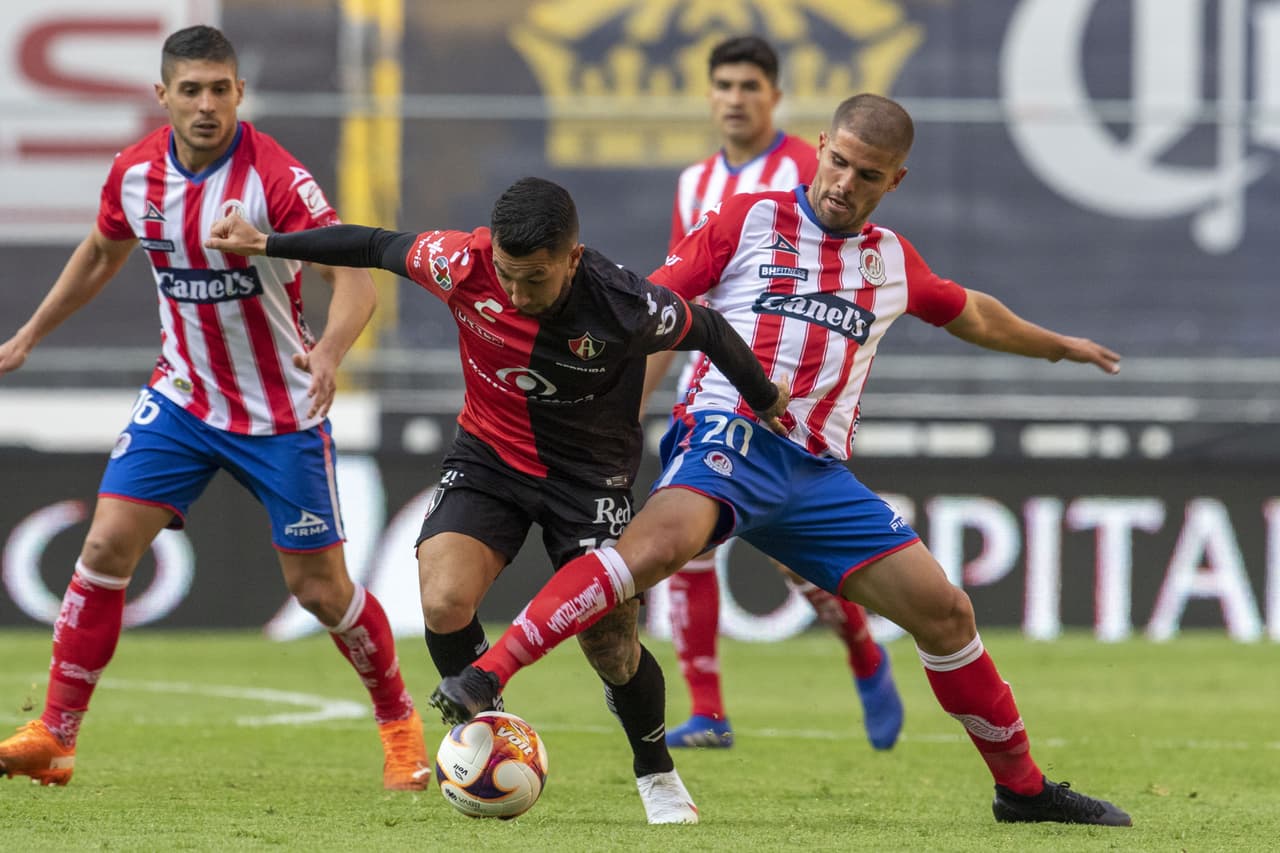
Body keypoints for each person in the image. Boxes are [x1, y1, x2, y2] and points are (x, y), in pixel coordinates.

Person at [430, 94, 1134, 827]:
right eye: (837, 161)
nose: (843, 183)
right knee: (656, 549)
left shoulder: (892, 261)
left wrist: (1061, 345)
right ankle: (490, 672)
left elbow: (975, 312)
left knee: (948, 614)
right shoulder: (748, 218)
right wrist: (601, 410)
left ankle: (1021, 790)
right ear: (820, 146)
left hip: (816, 475)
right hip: (727, 434)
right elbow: (645, 312)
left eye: (867, 174)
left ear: (894, 182)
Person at [203, 176, 788, 824]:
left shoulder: (624, 302)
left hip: (590, 479)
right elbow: (372, 244)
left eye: (534, 279)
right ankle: (490, 730)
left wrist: (764, 399)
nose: (515, 293)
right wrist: (268, 241)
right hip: (490, 458)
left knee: (612, 646)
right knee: (443, 598)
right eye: (507, 276)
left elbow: (707, 326)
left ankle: (655, 769)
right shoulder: (459, 262)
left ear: (571, 257)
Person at [0, 25, 430, 791]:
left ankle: (399, 721)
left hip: (280, 414)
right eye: (190, 90)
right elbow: (102, 251)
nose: (206, 104)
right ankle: (55, 736)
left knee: (321, 591)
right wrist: (31, 332)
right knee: (101, 551)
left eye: (219, 89)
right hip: (182, 399)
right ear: (161, 95)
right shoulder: (134, 174)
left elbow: (356, 280)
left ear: (240, 93)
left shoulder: (279, 180)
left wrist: (327, 355)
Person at [650, 34, 903, 751]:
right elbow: (676, 298)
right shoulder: (693, 182)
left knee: (799, 560)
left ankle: (863, 652)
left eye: (749, 86)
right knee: (685, 541)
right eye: (723, 85)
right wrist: (632, 393)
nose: (735, 98)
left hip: (788, 403)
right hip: (711, 393)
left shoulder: (810, 169)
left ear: (775, 97)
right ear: (709, 95)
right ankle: (707, 710)